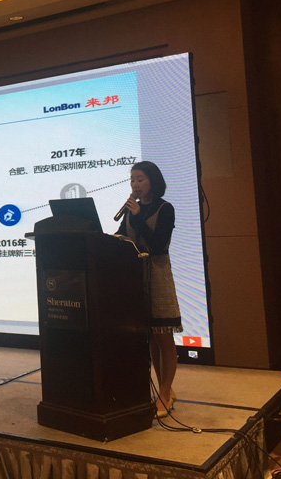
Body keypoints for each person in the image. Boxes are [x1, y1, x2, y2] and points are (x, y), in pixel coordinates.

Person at [116, 161, 183, 418]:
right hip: (136, 276)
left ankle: (165, 393)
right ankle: (164, 389)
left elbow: (158, 244)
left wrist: (136, 218)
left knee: (163, 336)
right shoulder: (130, 210)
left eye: (140, 179)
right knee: (151, 337)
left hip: (157, 275)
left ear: (153, 181)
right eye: (132, 179)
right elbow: (122, 237)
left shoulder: (165, 208)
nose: (135, 184)